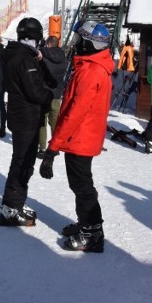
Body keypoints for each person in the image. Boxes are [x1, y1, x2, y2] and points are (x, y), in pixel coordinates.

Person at [39, 21, 114, 253]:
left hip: (80, 138)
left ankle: (92, 233)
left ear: (90, 43)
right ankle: (87, 224)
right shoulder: (90, 66)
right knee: (80, 184)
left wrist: (53, 148)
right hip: (82, 137)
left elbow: (75, 113)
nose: (76, 44)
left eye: (80, 40)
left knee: (82, 186)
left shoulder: (91, 71)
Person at [0, 17, 53, 227]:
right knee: (22, 163)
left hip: (21, 115)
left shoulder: (17, 55)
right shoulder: (24, 59)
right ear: (34, 38)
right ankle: (10, 209)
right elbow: (35, 91)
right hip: (26, 117)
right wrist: (49, 96)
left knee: (24, 162)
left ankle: (16, 203)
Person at [38, 35, 67, 157]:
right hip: (56, 93)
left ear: (48, 44)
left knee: (42, 121)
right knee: (55, 121)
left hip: (44, 92)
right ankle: (54, 147)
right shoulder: (63, 57)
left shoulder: (43, 56)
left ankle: (42, 148)